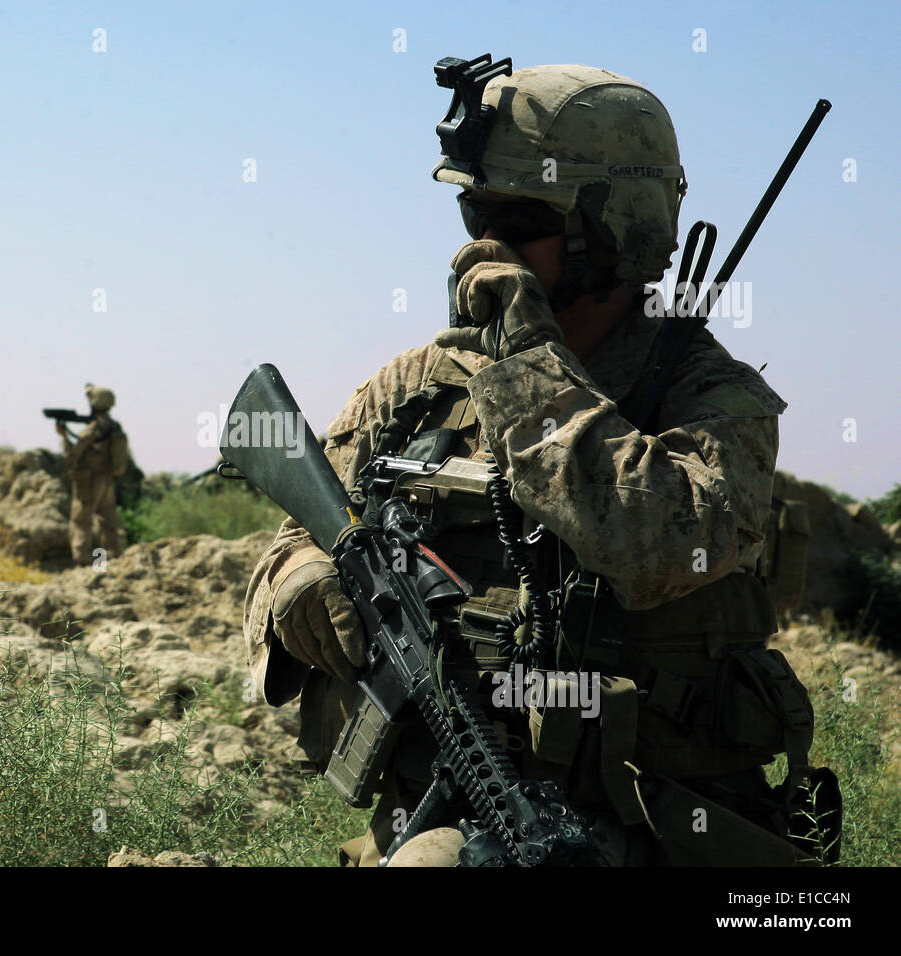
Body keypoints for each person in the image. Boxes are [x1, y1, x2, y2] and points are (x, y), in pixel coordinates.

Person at [242, 63, 836, 866]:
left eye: (517, 220)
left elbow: (663, 543)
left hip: (664, 824)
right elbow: (295, 537)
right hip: (450, 810)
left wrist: (528, 364)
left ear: (615, 226)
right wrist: (300, 579)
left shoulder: (712, 396)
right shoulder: (418, 386)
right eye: (473, 212)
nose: (481, 246)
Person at [56, 384, 127, 566]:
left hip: (89, 481)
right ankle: (114, 556)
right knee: (108, 519)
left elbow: (73, 455)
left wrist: (64, 437)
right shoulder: (114, 426)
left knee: (81, 520)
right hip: (108, 480)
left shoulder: (93, 429)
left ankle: (83, 561)